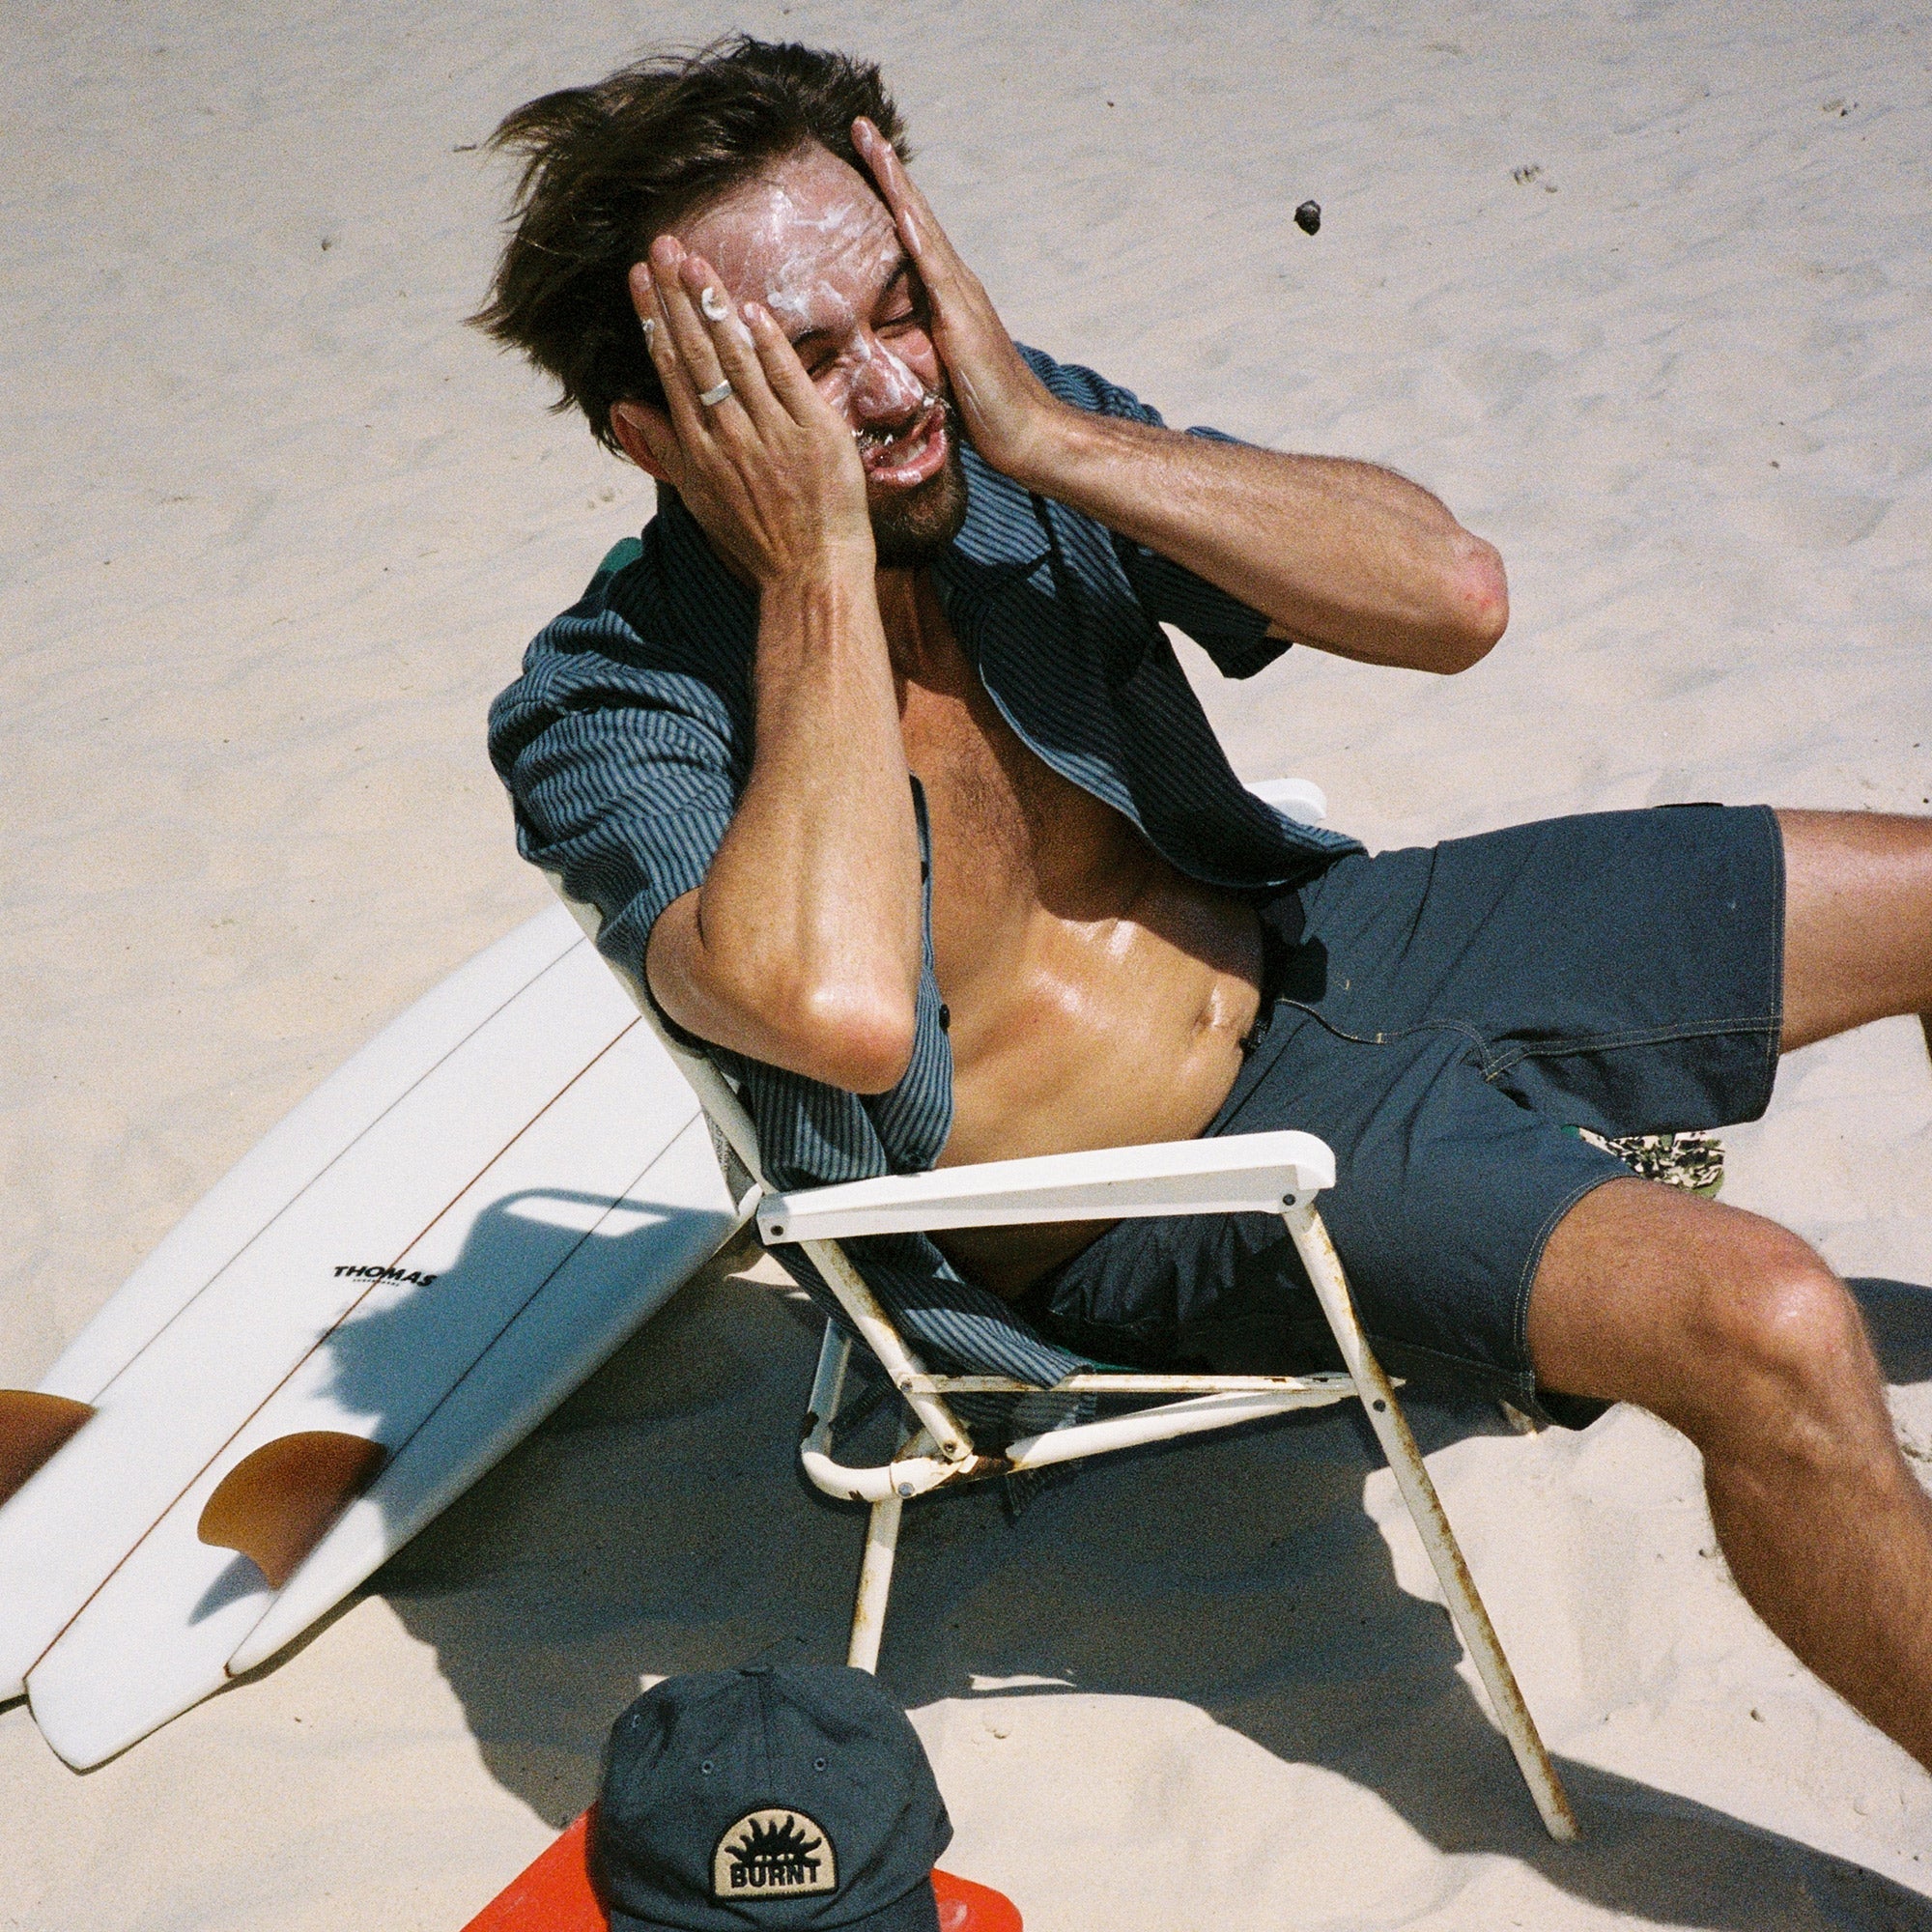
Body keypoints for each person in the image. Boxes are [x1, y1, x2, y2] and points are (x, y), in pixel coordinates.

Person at [481, 38, 1932, 1772]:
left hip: (1326, 941)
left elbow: (1451, 596)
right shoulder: (607, 706)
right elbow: (843, 1011)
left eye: (899, 307)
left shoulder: (995, 441)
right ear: (655, 429)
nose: (887, 386)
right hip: (1173, 1195)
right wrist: (814, 574)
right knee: (1766, 1320)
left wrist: (1048, 428)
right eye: (806, 365)